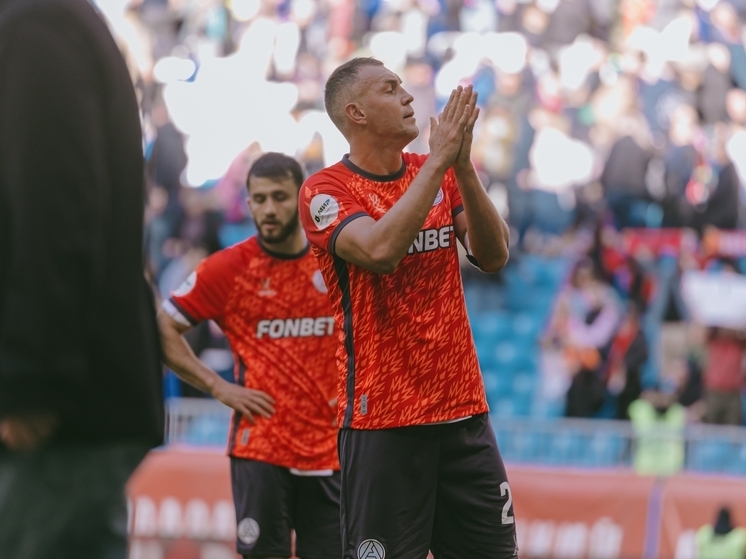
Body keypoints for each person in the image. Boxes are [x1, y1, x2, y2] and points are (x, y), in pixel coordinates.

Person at [299, 58, 515, 559]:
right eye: (389, 88)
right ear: (356, 113)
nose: (408, 96)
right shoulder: (325, 191)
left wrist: (461, 166)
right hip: (383, 423)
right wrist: (440, 164)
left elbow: (494, 256)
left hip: (462, 412)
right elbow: (380, 251)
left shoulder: (436, 171)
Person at [0, 0, 164, 557]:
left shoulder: (35, 25)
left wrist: (32, 380)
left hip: (53, 420)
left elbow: (55, 211)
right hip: (64, 412)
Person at [158, 153, 341, 559]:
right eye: (259, 199)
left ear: (302, 199)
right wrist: (217, 387)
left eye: (280, 197)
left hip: (331, 451)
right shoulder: (228, 269)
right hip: (260, 448)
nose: (269, 209)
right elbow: (163, 328)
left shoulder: (334, 261)